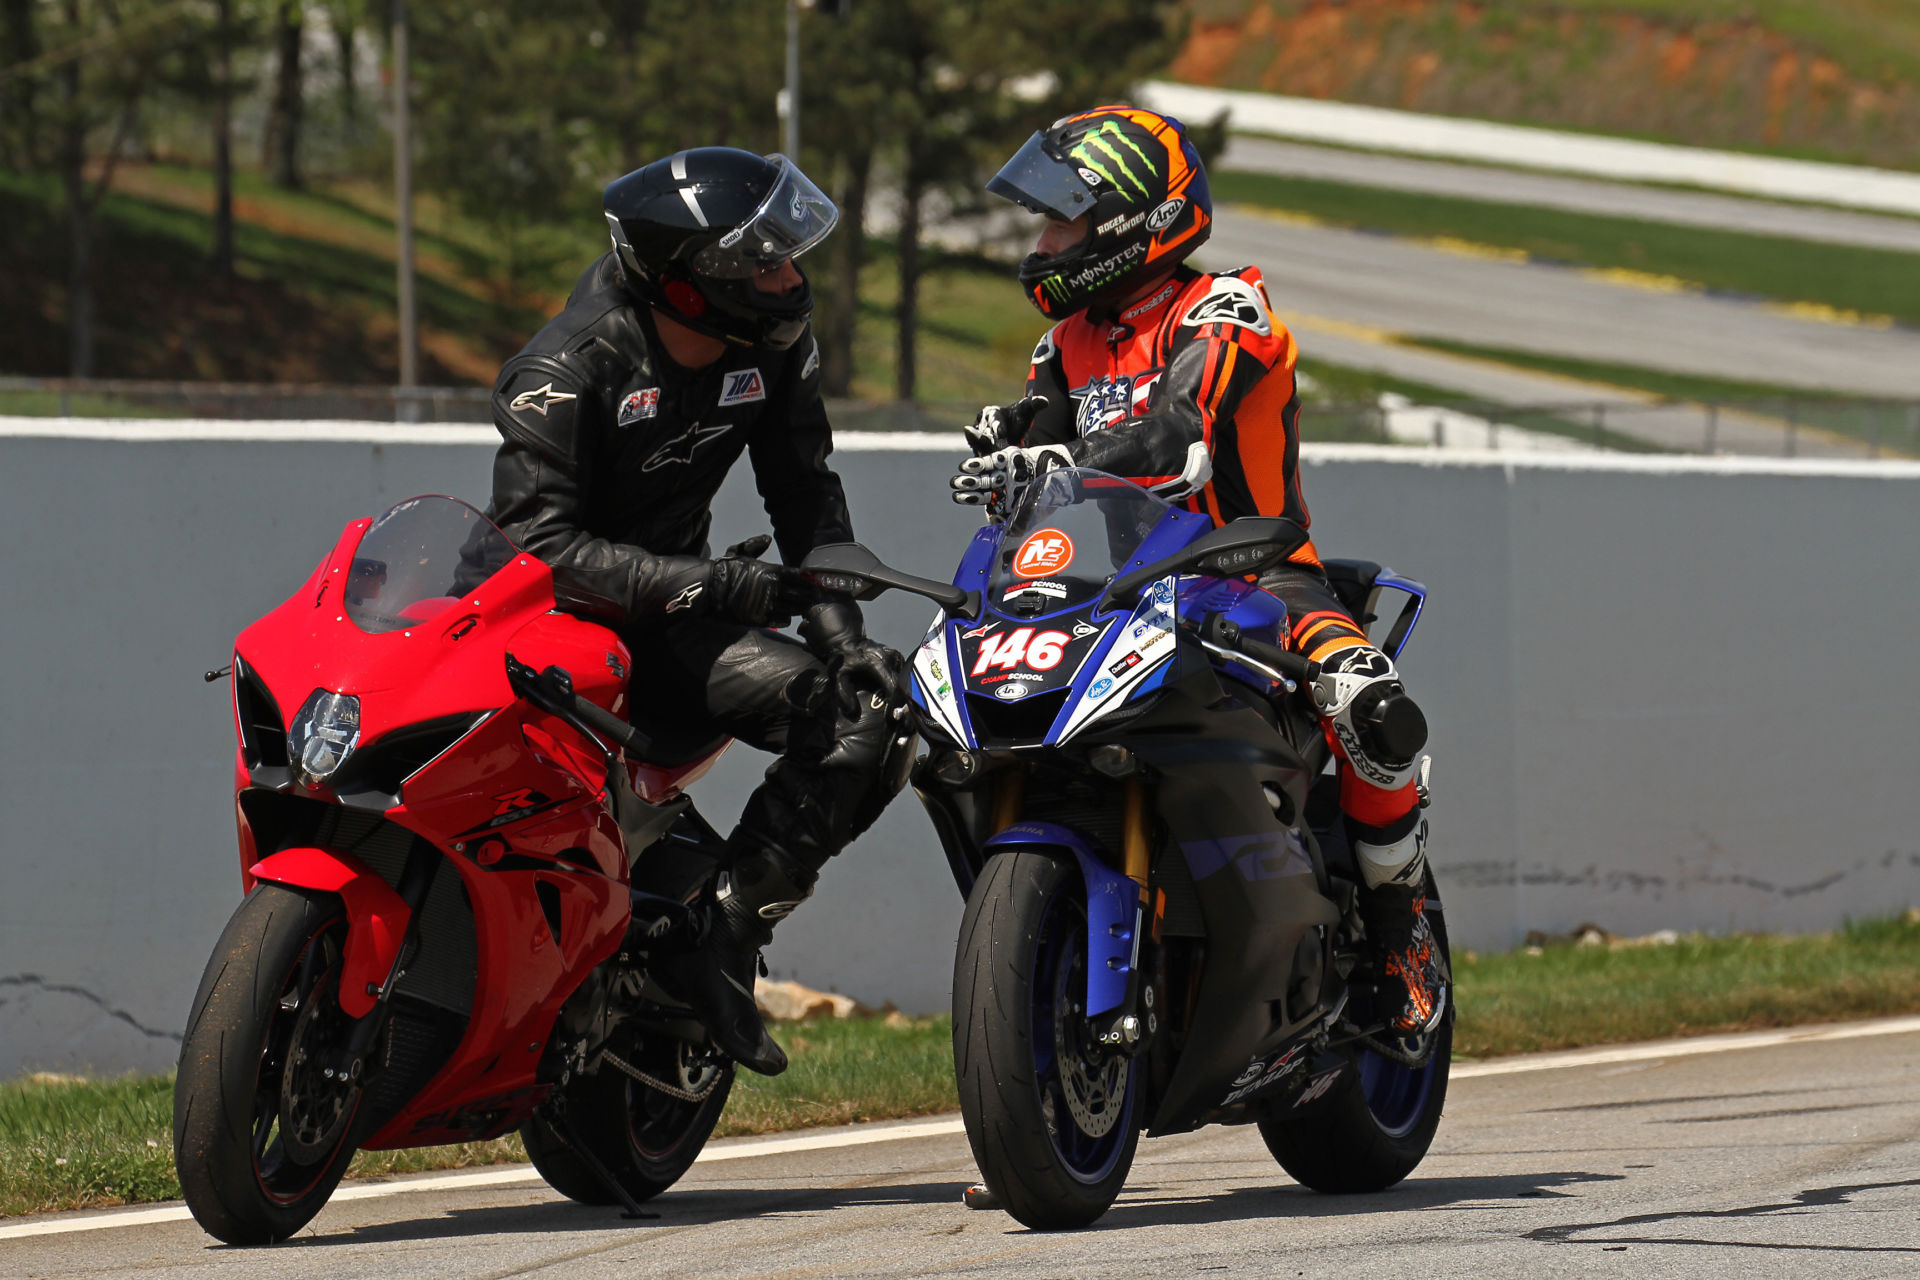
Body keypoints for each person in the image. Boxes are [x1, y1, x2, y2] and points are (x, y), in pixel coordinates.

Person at [949, 106, 1441, 1037]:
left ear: (1133, 220)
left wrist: (1052, 460)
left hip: (1260, 576)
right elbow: (1044, 443)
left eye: (1063, 220)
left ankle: (1397, 922)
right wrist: (1008, 447)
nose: (1044, 243)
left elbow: (1181, 428)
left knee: (1372, 709)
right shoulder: (1065, 345)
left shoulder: (1222, 308)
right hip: (1116, 585)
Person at [485, 147, 908, 1075]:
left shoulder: (774, 344)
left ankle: (719, 931)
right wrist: (707, 583)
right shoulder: (565, 369)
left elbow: (806, 496)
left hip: (669, 627)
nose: (790, 278)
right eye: (765, 263)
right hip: (544, 634)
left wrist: (843, 641)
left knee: (869, 712)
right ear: (689, 285)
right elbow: (536, 554)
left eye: (788, 257)